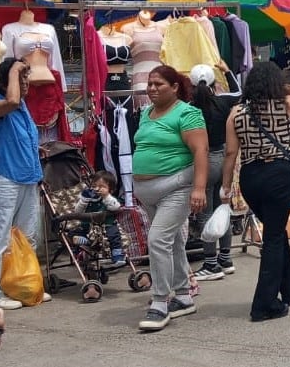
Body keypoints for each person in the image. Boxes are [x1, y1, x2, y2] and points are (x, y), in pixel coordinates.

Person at [220, 62, 290, 322]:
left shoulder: (236, 112)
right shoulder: (284, 105)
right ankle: (264, 304)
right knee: (273, 237)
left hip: (250, 178)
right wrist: (281, 86)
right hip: (278, 176)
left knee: (275, 231)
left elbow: (230, 153)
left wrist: (226, 187)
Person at [132, 65, 208, 331]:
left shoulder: (187, 113)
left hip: (177, 188)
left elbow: (201, 151)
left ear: (175, 87)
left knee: (158, 240)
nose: (152, 88)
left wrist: (198, 189)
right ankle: (184, 297)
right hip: (147, 192)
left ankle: (160, 302)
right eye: (149, 84)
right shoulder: (145, 113)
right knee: (173, 241)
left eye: (159, 84)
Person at [0, 58, 44, 312]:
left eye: (26, 78)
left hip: (28, 178)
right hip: (4, 179)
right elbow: (10, 101)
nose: (25, 83)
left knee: (27, 237)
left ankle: (24, 286)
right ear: (5, 82)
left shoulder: (23, 108)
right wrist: (13, 68)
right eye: (20, 78)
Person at [189, 62, 242, 281]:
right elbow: (239, 92)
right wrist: (228, 70)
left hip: (203, 161)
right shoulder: (224, 102)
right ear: (213, 82)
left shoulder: (189, 107)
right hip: (224, 160)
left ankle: (210, 263)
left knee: (205, 213)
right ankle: (226, 259)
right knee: (223, 210)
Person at [71, 170, 126, 268]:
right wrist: (84, 200)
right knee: (74, 232)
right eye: (95, 186)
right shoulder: (88, 197)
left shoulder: (110, 199)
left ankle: (117, 256)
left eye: (102, 186)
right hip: (89, 226)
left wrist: (106, 196)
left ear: (111, 190)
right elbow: (77, 212)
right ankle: (86, 241)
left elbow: (116, 207)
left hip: (106, 226)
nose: (98, 189)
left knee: (114, 236)